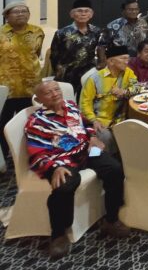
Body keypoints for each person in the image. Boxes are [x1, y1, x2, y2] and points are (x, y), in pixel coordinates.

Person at [26, 81, 130, 259]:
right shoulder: (37, 121)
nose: (55, 93)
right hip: (61, 160)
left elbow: (86, 124)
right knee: (64, 186)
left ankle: (111, 219)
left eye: (56, 89)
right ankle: (58, 233)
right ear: (39, 99)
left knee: (115, 169)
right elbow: (37, 152)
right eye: (48, 92)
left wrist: (92, 138)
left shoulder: (70, 106)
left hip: (85, 151)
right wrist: (55, 167)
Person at [0, 1, 44, 153]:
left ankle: (29, 155)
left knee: (30, 122)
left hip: (30, 86)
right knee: (4, 123)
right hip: (7, 87)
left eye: (24, 11)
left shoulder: (37, 31)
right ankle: (7, 155)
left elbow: (36, 54)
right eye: (16, 11)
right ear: (7, 16)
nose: (20, 14)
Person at [80, 45, 138, 146]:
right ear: (111, 61)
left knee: (140, 130)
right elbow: (85, 104)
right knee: (105, 137)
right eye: (123, 58)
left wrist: (124, 92)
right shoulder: (94, 79)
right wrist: (93, 120)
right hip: (101, 121)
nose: (127, 62)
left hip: (122, 119)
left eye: (127, 59)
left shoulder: (128, 73)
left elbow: (137, 88)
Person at [50, 0, 101, 97]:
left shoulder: (97, 32)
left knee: (86, 99)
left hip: (88, 73)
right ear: (72, 14)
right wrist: (59, 71)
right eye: (79, 11)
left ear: (91, 15)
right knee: (66, 100)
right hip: (66, 74)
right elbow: (54, 55)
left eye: (86, 11)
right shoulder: (61, 33)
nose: (83, 14)